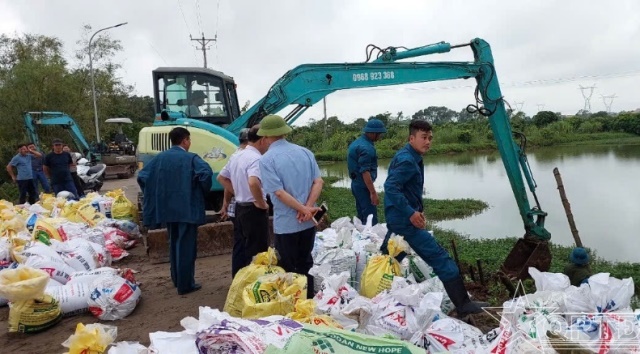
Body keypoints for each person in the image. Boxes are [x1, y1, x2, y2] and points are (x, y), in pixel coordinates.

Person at [380, 119, 488, 320]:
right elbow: (391, 188)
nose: (428, 142)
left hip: (398, 219)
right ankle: (463, 304)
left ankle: (377, 295)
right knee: (443, 261)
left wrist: (416, 210)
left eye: (430, 138)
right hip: (406, 223)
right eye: (423, 137)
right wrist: (412, 213)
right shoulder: (407, 160)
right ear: (411, 138)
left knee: (388, 258)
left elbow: (403, 190)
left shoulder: (408, 156)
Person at [137, 127, 213, 295]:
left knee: (174, 243)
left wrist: (155, 195)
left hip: (167, 209)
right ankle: (185, 285)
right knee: (186, 246)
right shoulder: (191, 158)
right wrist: (199, 191)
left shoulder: (159, 158)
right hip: (187, 209)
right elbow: (206, 174)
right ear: (185, 140)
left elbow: (142, 177)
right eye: (189, 140)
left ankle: (176, 279)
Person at [258, 115, 323, 299]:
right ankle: (308, 300)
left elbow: (278, 192)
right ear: (285, 132)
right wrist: (308, 208)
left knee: (287, 266)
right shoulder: (305, 152)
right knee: (306, 262)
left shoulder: (266, 160)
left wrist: (303, 209)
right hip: (308, 222)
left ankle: (293, 304)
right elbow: (318, 181)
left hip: (287, 223)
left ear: (265, 137)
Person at [217, 125, 270, 277]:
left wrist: (238, 191)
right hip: (253, 210)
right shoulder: (256, 159)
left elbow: (221, 178)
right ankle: (255, 286)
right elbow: (253, 182)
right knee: (257, 252)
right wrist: (261, 202)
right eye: (268, 141)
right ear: (262, 140)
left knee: (241, 247)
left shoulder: (237, 155)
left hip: (240, 207)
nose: (268, 145)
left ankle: (239, 281)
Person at [347, 118, 386, 225]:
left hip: (355, 184)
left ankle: (362, 236)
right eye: (379, 134)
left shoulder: (357, 142)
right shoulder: (366, 148)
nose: (380, 136)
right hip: (363, 185)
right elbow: (365, 172)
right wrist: (373, 193)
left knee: (362, 213)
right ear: (373, 133)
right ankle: (371, 239)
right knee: (370, 216)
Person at [219, 128, 250, 222]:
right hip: (246, 208)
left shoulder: (234, 156)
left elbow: (226, 180)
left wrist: (225, 205)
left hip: (235, 209)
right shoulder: (249, 157)